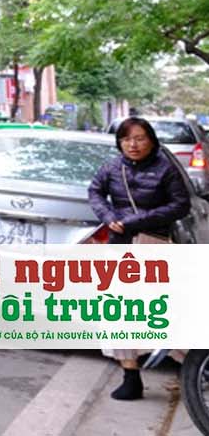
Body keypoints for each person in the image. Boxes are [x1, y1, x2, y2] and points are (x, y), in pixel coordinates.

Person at [87, 117, 192, 400]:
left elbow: (181, 204)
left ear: (151, 140)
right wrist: (108, 216)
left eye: (139, 138)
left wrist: (137, 220)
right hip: (119, 245)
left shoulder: (166, 169)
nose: (132, 144)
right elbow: (95, 191)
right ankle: (130, 377)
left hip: (153, 243)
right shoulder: (112, 167)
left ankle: (195, 368)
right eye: (126, 139)